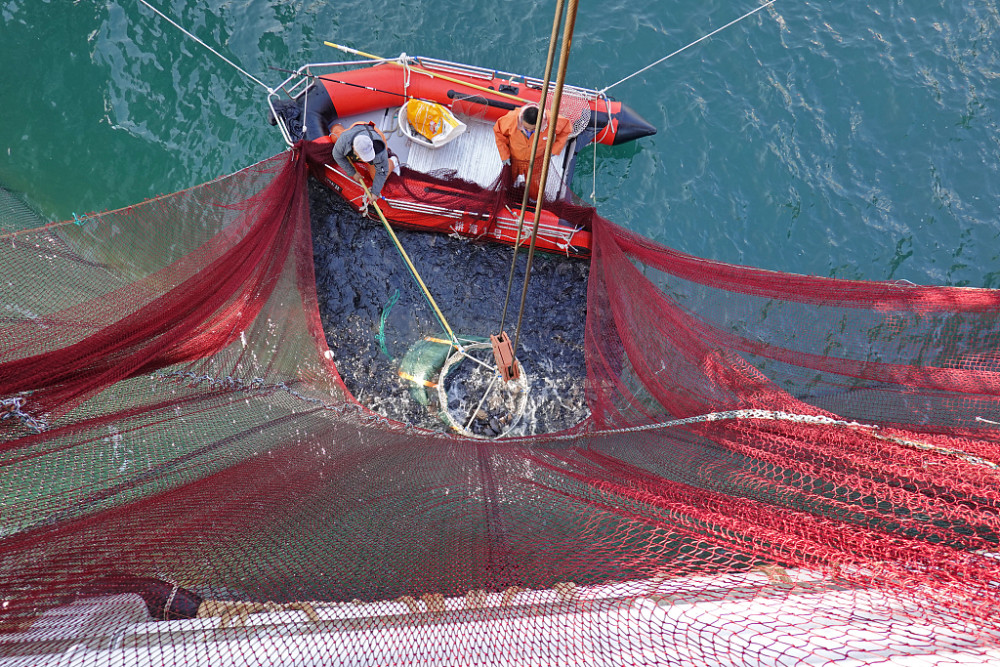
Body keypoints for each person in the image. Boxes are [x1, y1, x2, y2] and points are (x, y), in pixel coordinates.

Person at [492, 103, 573, 200]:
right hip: (514, 159)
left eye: (534, 129)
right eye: (526, 128)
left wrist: (555, 149)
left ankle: (534, 200)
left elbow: (566, 129)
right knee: (508, 179)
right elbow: (498, 132)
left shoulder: (553, 120)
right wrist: (504, 156)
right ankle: (507, 191)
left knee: (535, 186)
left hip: (536, 160)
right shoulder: (511, 119)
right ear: (522, 120)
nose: (529, 130)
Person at [330, 122, 400, 200]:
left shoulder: (379, 150)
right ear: (354, 148)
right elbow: (337, 155)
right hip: (356, 128)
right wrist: (353, 173)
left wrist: (375, 192)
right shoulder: (344, 140)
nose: (367, 160)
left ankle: (393, 161)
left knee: (374, 175)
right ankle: (337, 125)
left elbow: (381, 172)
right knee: (335, 136)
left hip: (373, 133)